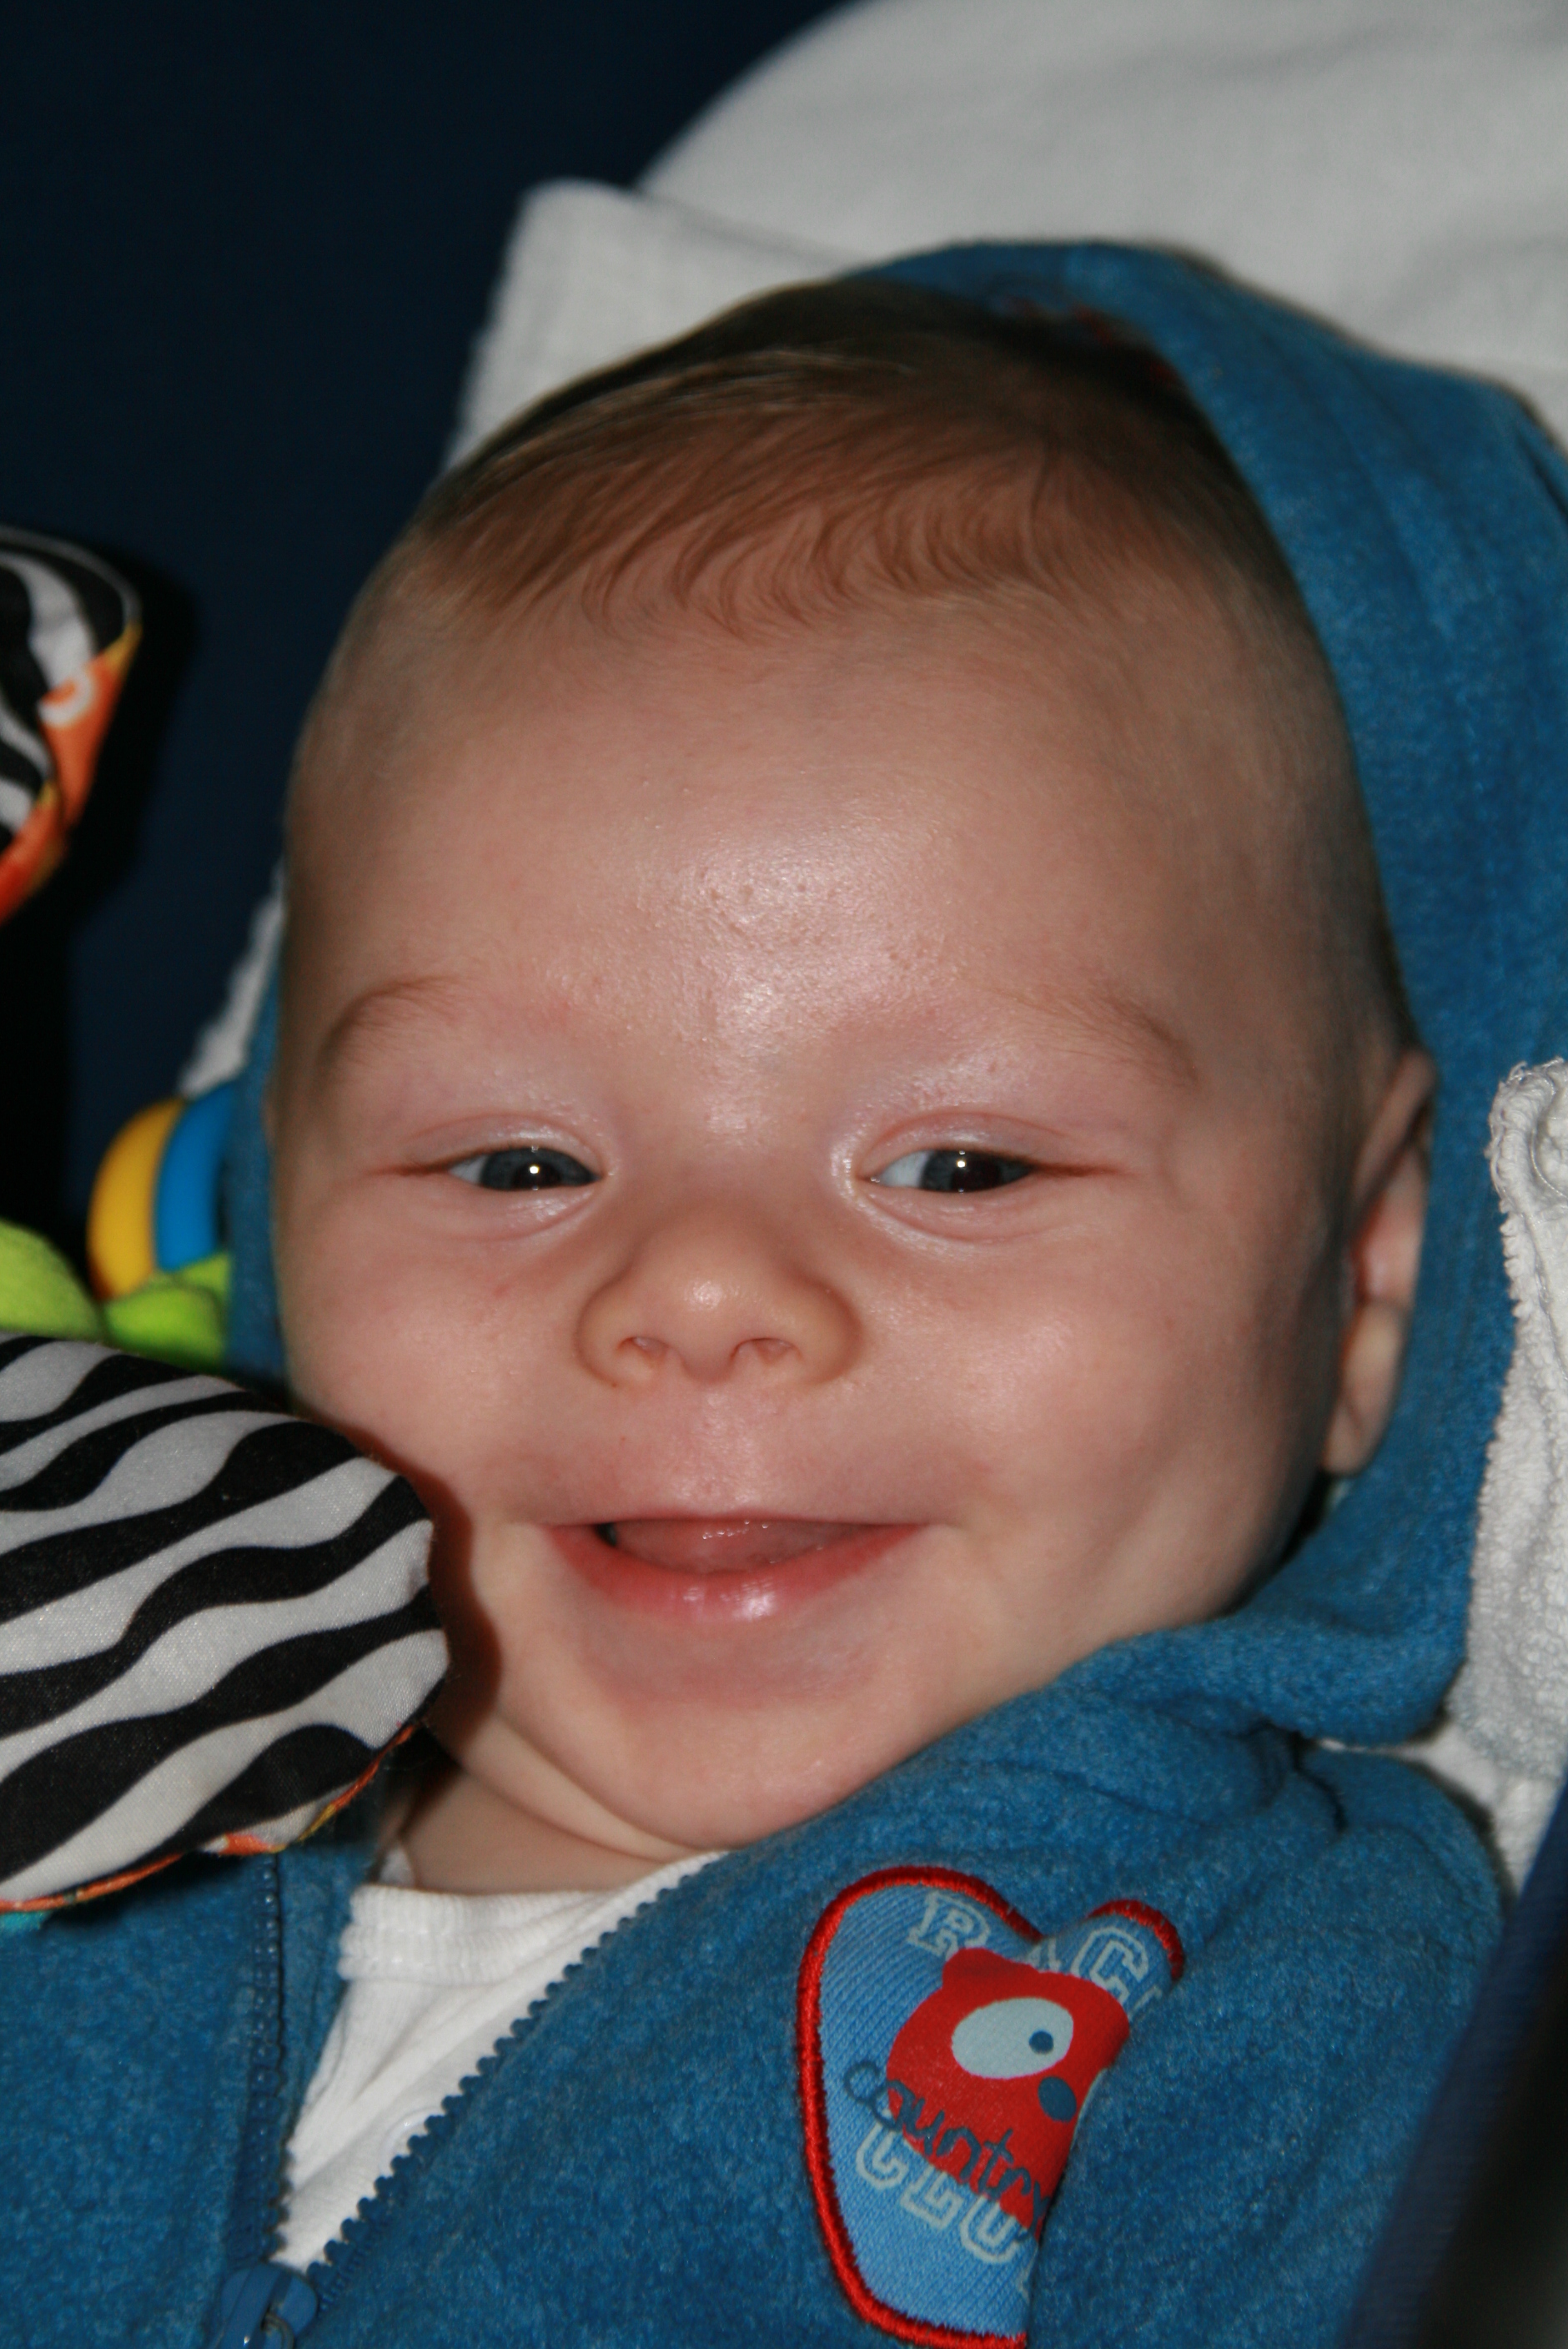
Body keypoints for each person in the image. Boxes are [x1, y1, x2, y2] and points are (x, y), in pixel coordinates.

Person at [13, 242, 1568, 2349]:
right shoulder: (68, 1754)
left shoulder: (1280, 2016)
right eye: (517, 1162)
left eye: (961, 1164)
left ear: (1367, 1280)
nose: (699, 1288)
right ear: (282, 1199)